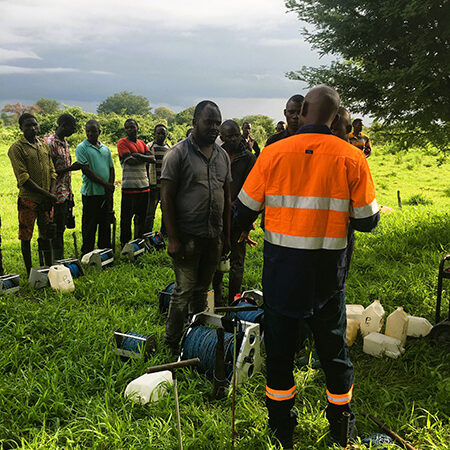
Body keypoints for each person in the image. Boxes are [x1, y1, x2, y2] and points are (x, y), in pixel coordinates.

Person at [236, 85, 380, 448]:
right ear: (335, 116)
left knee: (281, 354)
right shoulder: (352, 157)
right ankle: (340, 426)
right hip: (327, 278)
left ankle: (282, 428)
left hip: (282, 275)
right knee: (334, 352)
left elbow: (243, 210)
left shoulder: (272, 153)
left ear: (302, 112)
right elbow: (367, 221)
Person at [161, 100, 232, 353]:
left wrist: (227, 235)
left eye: (217, 123)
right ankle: (171, 343)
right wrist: (173, 238)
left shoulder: (223, 156)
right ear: (195, 122)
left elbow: (227, 197)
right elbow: (166, 197)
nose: (214, 128)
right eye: (209, 122)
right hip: (187, 236)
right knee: (183, 291)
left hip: (213, 236)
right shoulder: (177, 153)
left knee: (202, 291)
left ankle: (193, 341)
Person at [212, 120, 256, 305]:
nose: (235, 139)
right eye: (229, 136)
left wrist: (245, 216)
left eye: (237, 134)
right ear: (221, 137)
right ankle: (216, 297)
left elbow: (252, 189)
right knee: (216, 258)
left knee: (237, 261)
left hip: (239, 217)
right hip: (217, 217)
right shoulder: (215, 155)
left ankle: (233, 301)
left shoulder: (248, 158)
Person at [8, 113, 58, 275]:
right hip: (28, 200)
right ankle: (30, 271)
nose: (32, 128)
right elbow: (23, 178)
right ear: (21, 128)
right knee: (26, 237)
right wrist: (46, 194)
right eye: (28, 125)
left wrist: (50, 194)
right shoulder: (16, 148)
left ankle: (49, 267)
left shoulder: (43, 146)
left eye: (35, 125)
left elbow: (52, 171)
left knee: (46, 235)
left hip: (46, 200)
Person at [76, 120, 115, 256]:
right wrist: (106, 184)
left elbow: (111, 168)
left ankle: (104, 252)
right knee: (90, 225)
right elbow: (86, 171)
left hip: (105, 193)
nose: (91, 133)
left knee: (105, 224)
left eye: (93, 131)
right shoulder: (82, 148)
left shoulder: (105, 148)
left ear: (99, 131)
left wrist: (110, 187)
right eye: (88, 131)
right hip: (91, 194)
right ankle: (87, 253)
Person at [46, 113, 82, 260]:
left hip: (65, 193)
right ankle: (55, 262)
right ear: (63, 125)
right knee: (54, 231)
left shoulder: (65, 143)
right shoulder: (50, 143)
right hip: (54, 194)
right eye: (72, 127)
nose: (74, 130)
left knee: (60, 229)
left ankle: (58, 260)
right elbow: (49, 171)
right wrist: (70, 169)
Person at [117, 119, 155, 247]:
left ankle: (139, 242)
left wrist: (137, 155)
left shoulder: (141, 143)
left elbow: (152, 159)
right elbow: (129, 161)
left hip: (144, 186)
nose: (130, 130)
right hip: (129, 187)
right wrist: (143, 156)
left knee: (141, 218)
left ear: (137, 127)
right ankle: (125, 244)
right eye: (127, 128)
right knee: (126, 218)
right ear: (125, 130)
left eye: (132, 127)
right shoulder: (122, 142)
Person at [145, 124, 170, 235]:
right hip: (152, 185)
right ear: (154, 133)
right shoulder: (149, 146)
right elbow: (145, 166)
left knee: (166, 211)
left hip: (164, 187)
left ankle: (164, 234)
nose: (160, 135)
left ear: (166, 135)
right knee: (150, 213)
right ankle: (147, 234)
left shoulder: (170, 149)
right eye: (158, 133)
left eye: (163, 133)